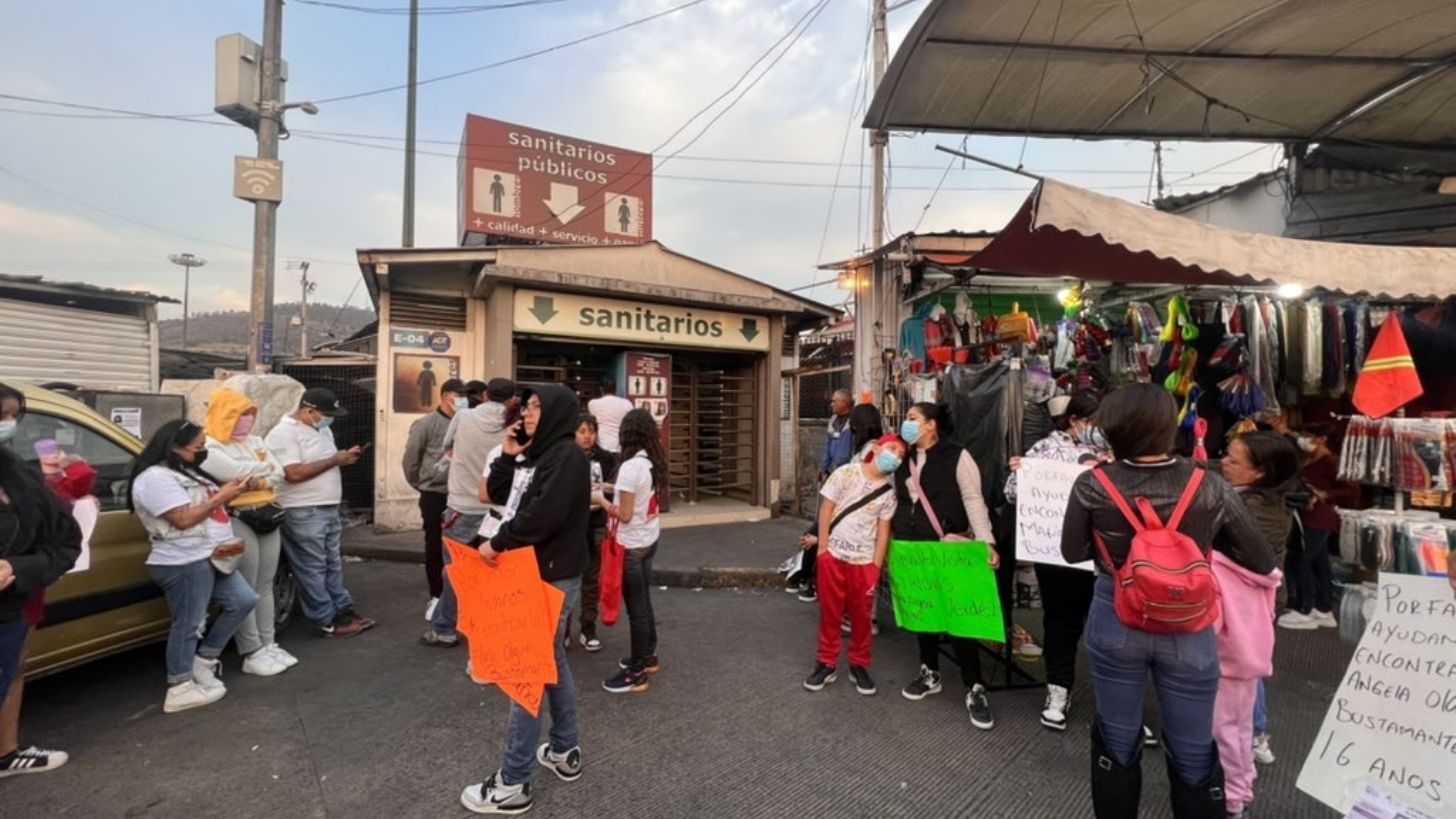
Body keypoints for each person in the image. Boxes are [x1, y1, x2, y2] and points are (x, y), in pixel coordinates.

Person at [1061, 383, 1274, 819]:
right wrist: (1193, 548)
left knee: (1118, 737)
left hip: (1116, 614)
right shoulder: (1209, 484)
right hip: (1189, 623)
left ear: (1112, 428)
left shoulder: (1092, 484)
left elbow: (1072, 551)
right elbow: (1259, 558)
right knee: (1194, 746)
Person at [460, 385, 590, 815]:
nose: (528, 413)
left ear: (556, 413)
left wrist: (498, 542)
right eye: (527, 406)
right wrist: (509, 452)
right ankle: (564, 749)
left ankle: (512, 783)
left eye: (537, 407)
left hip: (549, 574)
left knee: (526, 672)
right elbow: (498, 495)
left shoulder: (566, 457)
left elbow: (541, 517)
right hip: (537, 571)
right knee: (551, 662)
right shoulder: (538, 456)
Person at [129, 420, 259, 713]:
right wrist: (220, 498)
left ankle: (204, 660)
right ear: (175, 446)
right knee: (189, 623)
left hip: (213, 555)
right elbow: (183, 519)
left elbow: (205, 504)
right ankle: (180, 686)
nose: (202, 452)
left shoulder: (185, 471)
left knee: (244, 600)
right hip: (184, 560)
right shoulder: (155, 478)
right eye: (198, 446)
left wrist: (231, 491)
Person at [1004, 391, 1109, 732]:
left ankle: (1118, 705)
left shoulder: (1114, 452)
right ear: (1075, 420)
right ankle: (1058, 690)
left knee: (1109, 631)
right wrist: (1022, 473)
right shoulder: (1046, 449)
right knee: (1061, 624)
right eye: (1093, 422)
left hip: (1105, 558)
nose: (1099, 429)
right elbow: (1011, 493)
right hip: (1058, 555)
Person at [893, 402, 1000, 730]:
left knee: (960, 618)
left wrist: (986, 542)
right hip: (911, 549)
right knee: (923, 612)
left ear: (931, 425)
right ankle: (930, 672)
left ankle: (974, 687)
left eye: (912, 418)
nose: (906, 423)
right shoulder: (902, 458)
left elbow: (973, 500)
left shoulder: (958, 455)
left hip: (950, 548)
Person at [1212, 431, 1298, 819]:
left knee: (1230, 719)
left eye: (1233, 460)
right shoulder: (1247, 496)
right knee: (1232, 713)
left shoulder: (1259, 515)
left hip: (1241, 624)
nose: (1223, 463)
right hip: (1232, 621)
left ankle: (1234, 798)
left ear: (1260, 472)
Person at [0, 382, 80, 776]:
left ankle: (6, 753)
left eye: (13, 416)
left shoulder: (20, 476)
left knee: (12, 672)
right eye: (2, 415)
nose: (8, 425)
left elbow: (65, 542)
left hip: (9, 612)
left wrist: (19, 568)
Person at [265, 388, 372, 639]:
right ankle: (324, 620)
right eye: (326, 414)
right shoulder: (283, 434)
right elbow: (292, 473)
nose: (329, 419)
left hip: (327, 506)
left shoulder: (322, 430)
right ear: (308, 411)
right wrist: (335, 460)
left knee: (331, 562)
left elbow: (323, 461)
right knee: (311, 566)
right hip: (303, 508)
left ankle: (342, 610)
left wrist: (342, 458)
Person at [204, 388, 296, 677]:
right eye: (239, 414)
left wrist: (256, 477)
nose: (245, 419)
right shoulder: (210, 446)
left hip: (266, 515)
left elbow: (279, 472)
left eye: (249, 414)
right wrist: (261, 470)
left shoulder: (255, 441)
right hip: (237, 518)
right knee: (246, 587)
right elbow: (233, 473)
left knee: (265, 585)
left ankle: (268, 644)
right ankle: (251, 650)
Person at [803, 434, 905, 696]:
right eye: (893, 448)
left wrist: (875, 568)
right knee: (830, 613)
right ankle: (826, 662)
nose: (896, 456)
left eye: (901, 455)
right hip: (833, 557)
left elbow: (883, 532)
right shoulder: (845, 473)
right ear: (877, 448)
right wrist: (823, 550)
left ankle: (859, 664)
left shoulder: (888, 494)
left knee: (862, 617)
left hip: (864, 562)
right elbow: (826, 510)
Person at [427, 378, 515, 648]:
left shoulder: (463, 417)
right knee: (494, 571)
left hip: (461, 507)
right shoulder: (514, 425)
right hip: (498, 512)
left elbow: (447, 446)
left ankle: (445, 628)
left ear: (486, 395)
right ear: (511, 400)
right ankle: (489, 626)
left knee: (456, 570)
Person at [790, 403, 886, 602]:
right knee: (813, 535)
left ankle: (812, 583)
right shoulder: (851, 438)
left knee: (817, 539)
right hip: (848, 510)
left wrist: (823, 538)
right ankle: (807, 579)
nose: (832, 403)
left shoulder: (869, 452)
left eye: (853, 423)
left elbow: (858, 491)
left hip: (855, 516)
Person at [599, 408, 666, 694]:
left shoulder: (629, 467)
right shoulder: (652, 461)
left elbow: (624, 514)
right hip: (649, 539)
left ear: (627, 434)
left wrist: (600, 500)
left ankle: (636, 673)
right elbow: (638, 493)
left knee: (636, 610)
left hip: (632, 544)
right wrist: (611, 487)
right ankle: (649, 656)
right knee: (644, 601)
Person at [403, 378, 467, 623]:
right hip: (434, 494)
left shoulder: (467, 422)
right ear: (444, 396)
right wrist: (422, 484)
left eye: (464, 396)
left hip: (461, 495)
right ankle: (437, 595)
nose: (461, 400)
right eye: (457, 395)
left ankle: (458, 596)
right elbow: (411, 459)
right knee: (434, 545)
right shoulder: (426, 424)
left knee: (460, 548)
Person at [1280, 426, 1354, 631]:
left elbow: (1352, 491)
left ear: (1322, 439)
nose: (1304, 440)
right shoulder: (1308, 459)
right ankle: (1323, 608)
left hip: (1319, 518)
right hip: (1306, 516)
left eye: (1309, 436)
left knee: (1300, 560)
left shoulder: (1331, 461)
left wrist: (1325, 494)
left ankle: (1305, 608)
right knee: (1319, 564)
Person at [574, 415, 616, 653]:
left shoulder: (607, 459)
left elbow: (615, 490)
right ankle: (562, 629)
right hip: (572, 524)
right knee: (567, 578)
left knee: (591, 579)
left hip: (597, 522)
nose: (587, 436)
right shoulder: (566, 456)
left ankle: (588, 627)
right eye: (582, 431)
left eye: (591, 431)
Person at [587, 377, 633, 455]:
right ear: (615, 389)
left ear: (601, 389)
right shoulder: (627, 404)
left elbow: (591, 423)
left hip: (601, 448)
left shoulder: (593, 404)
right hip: (621, 448)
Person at [819, 390, 854, 481]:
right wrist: (823, 467)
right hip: (835, 470)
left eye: (834, 401)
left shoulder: (854, 421)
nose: (831, 404)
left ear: (844, 402)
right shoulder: (832, 420)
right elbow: (828, 447)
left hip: (849, 471)